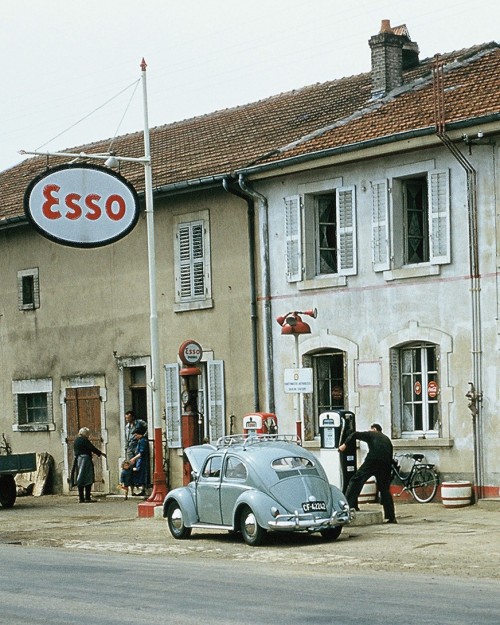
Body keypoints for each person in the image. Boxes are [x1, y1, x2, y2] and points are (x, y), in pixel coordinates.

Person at [338, 423, 397, 524]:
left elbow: (355, 434)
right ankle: (391, 517)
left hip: (373, 460)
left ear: (374, 429)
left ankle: (349, 507)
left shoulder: (371, 434)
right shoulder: (387, 439)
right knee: (384, 490)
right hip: (385, 464)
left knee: (356, 480)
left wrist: (344, 445)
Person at [72, 427, 106, 503]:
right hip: (85, 460)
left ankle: (81, 497)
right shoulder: (84, 440)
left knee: (80, 477)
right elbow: (92, 448)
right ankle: (87, 497)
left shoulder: (77, 440)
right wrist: (100, 453)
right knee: (88, 477)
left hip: (79, 459)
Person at [129, 423, 150, 497]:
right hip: (140, 460)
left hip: (143, 460)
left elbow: (142, 452)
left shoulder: (143, 441)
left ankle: (144, 489)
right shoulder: (141, 440)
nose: (135, 436)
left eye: (136, 435)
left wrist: (134, 459)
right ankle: (143, 489)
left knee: (142, 474)